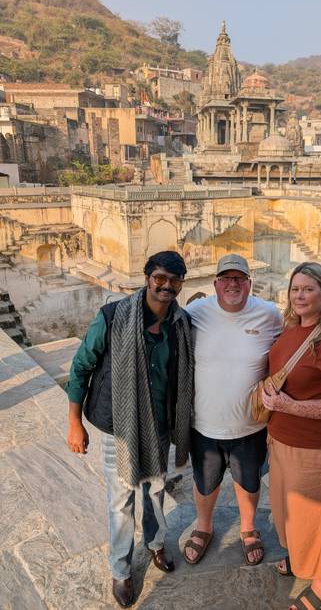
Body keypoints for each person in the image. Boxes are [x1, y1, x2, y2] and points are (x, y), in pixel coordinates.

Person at [66, 251, 194, 608]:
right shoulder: (112, 316)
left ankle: (154, 545)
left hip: (160, 426)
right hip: (119, 426)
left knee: (155, 492)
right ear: (147, 277)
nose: (167, 286)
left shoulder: (180, 324)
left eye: (175, 280)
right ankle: (121, 568)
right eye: (160, 278)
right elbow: (80, 369)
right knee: (121, 500)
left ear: (182, 282)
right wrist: (74, 422)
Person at [262, 262, 321, 610]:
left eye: (308, 289)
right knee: (286, 511)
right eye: (295, 289)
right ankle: (300, 559)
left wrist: (288, 406)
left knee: (316, 518)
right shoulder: (292, 329)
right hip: (282, 440)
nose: (299, 295)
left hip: (317, 446)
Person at [183, 253, 283, 566]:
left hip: (251, 425)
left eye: (239, 278)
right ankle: (204, 526)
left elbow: (285, 354)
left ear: (250, 284)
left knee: (249, 482)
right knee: (205, 482)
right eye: (226, 278)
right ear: (214, 284)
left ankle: (249, 528)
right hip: (204, 424)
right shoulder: (194, 312)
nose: (232, 284)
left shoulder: (269, 314)